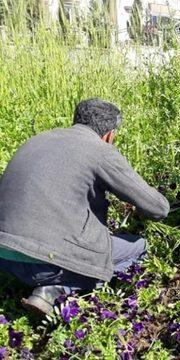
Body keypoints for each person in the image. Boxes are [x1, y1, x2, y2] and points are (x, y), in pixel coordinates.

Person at [0, 99, 169, 316]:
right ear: (109, 135)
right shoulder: (100, 150)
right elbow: (158, 208)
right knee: (138, 247)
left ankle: (46, 282)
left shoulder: (37, 139)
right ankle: (59, 288)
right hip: (47, 263)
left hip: (5, 257)